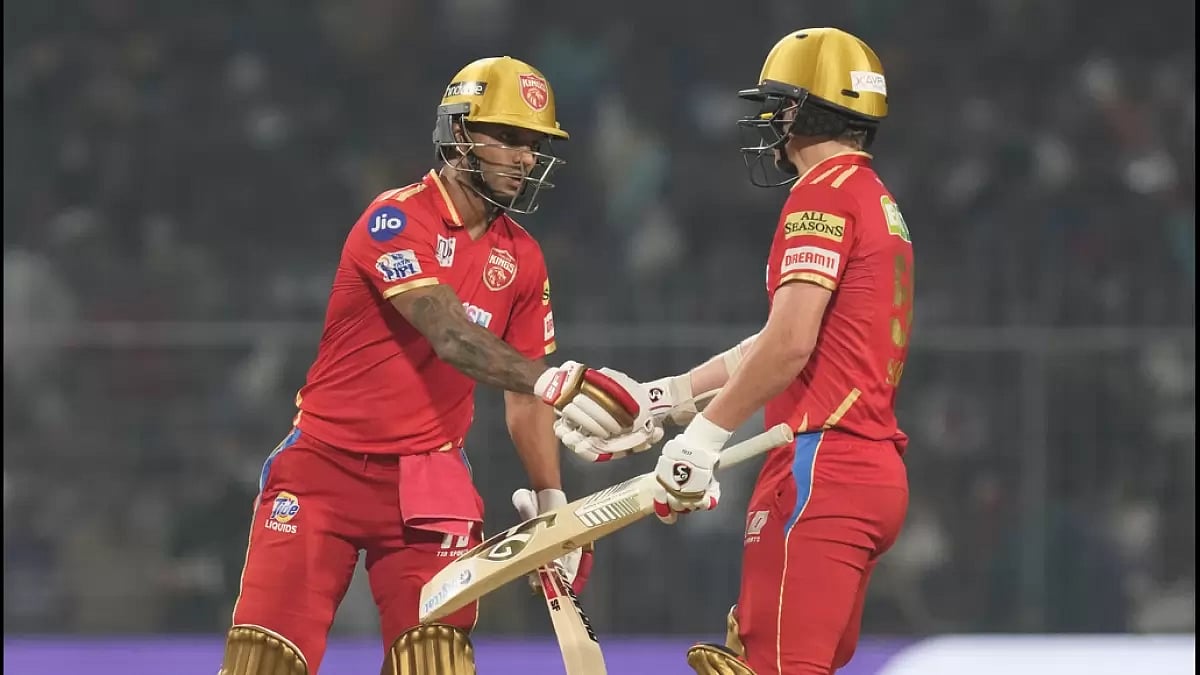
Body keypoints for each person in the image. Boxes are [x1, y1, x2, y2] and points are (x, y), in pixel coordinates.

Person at [218, 56, 650, 675]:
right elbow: (449, 334)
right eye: (508, 137)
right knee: (263, 664)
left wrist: (556, 509)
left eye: (533, 144)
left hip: (430, 482)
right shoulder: (393, 220)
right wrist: (554, 378)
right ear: (458, 132)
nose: (525, 157)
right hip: (324, 469)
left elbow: (524, 397)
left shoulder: (523, 258)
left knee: (436, 665)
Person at [556, 28, 914, 675]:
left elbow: (790, 343)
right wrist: (667, 396)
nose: (771, 123)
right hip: (867, 465)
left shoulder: (822, 194)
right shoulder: (873, 198)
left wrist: (703, 438)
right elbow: (781, 337)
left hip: (819, 462)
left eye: (779, 106)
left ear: (807, 109)